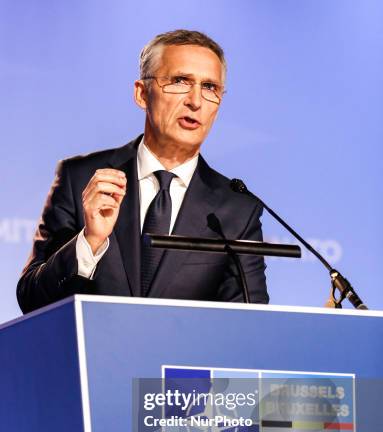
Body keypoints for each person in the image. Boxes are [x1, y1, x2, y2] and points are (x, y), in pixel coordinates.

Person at [17, 30, 269, 314]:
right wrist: (89, 242)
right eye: (180, 81)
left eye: (210, 87)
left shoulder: (237, 210)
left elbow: (249, 322)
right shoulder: (81, 178)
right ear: (141, 93)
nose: (196, 101)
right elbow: (31, 299)